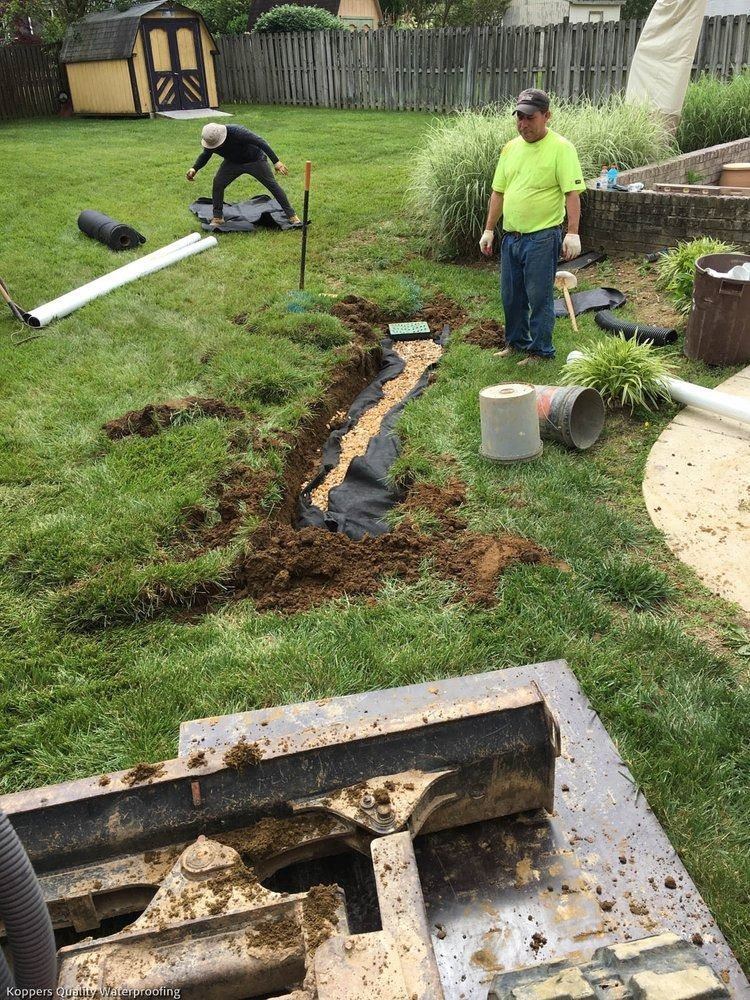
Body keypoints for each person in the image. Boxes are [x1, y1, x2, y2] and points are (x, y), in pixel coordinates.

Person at [479, 89, 584, 366]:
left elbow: (572, 194)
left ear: (546, 116)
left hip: (542, 237)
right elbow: (498, 192)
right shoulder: (510, 148)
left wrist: (572, 232)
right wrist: (489, 229)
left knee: (539, 298)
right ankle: (516, 343)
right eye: (520, 117)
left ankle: (541, 351)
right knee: (511, 296)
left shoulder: (561, 148)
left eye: (530, 117)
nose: (523, 124)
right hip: (511, 237)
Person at [186, 122, 302, 228]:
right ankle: (218, 217)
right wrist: (194, 168)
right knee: (218, 183)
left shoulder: (237, 132)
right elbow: (206, 155)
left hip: (255, 160)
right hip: (232, 163)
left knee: (272, 185)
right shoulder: (211, 141)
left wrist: (276, 162)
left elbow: (260, 142)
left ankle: (291, 216)